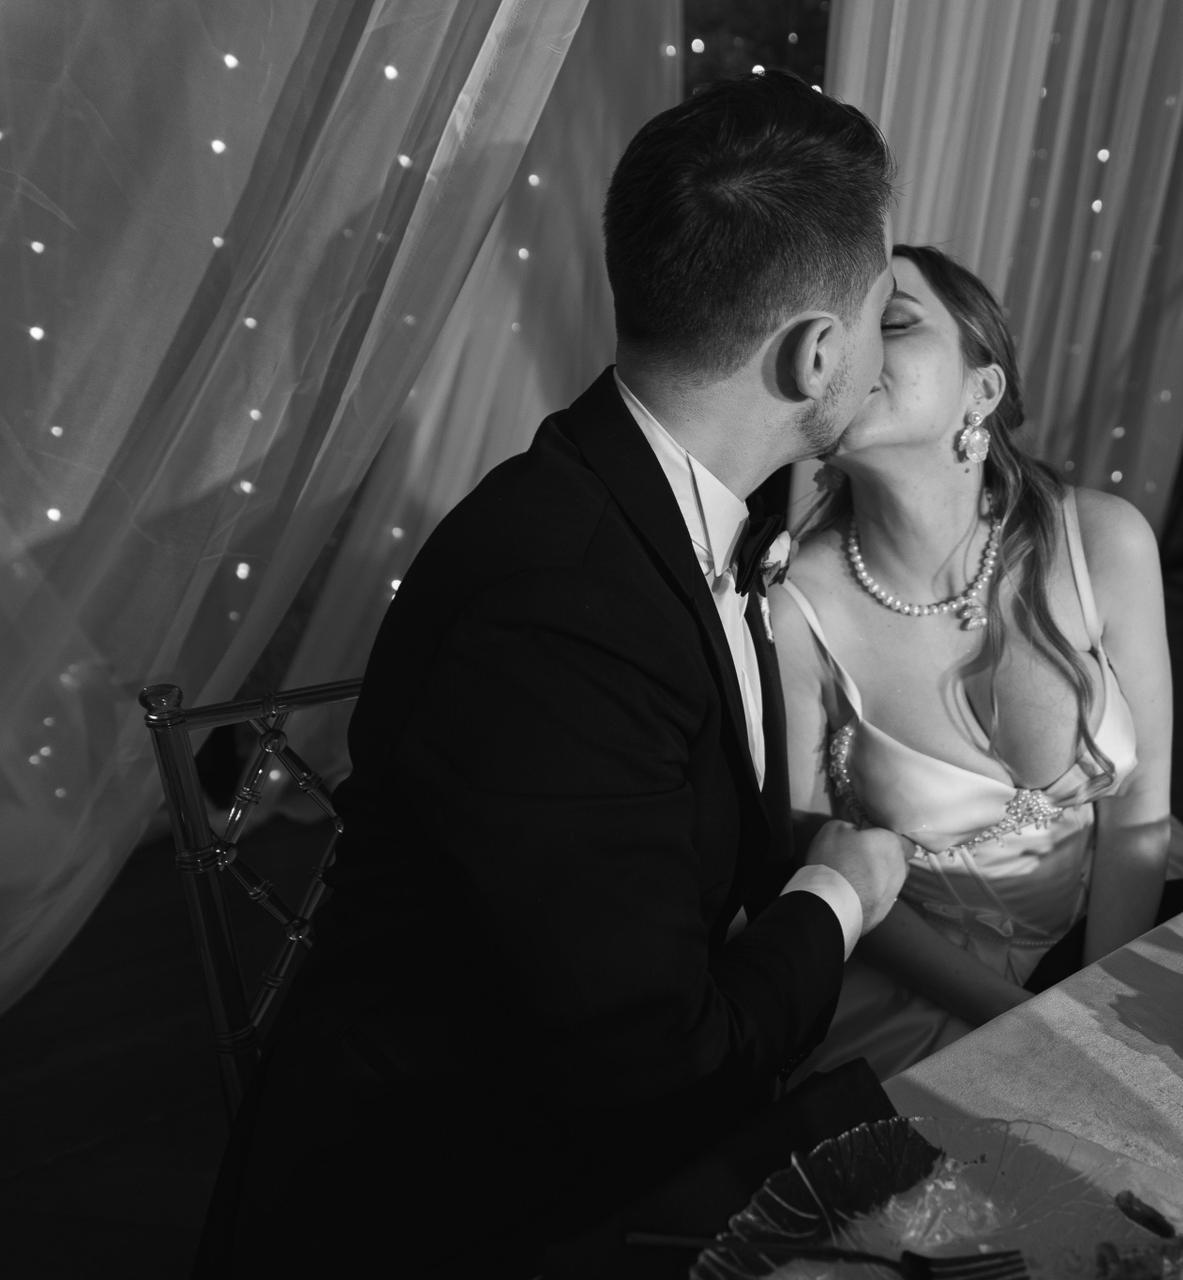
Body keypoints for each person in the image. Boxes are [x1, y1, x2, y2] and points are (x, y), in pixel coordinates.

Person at [192, 73, 911, 1276]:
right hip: (468, 1211)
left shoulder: (652, 505)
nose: (881, 358)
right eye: (885, 311)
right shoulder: (563, 609)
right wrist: (838, 892)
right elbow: (662, 1072)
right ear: (816, 352)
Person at [770, 245, 1174, 1082]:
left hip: (1099, 959)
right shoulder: (793, 610)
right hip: (908, 1012)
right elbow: (818, 865)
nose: (854, 351)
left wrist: (1102, 1008)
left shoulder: (1105, 542)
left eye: (892, 323)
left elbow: (1139, 809)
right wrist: (1030, 1026)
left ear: (981, 390)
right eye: (837, 333)